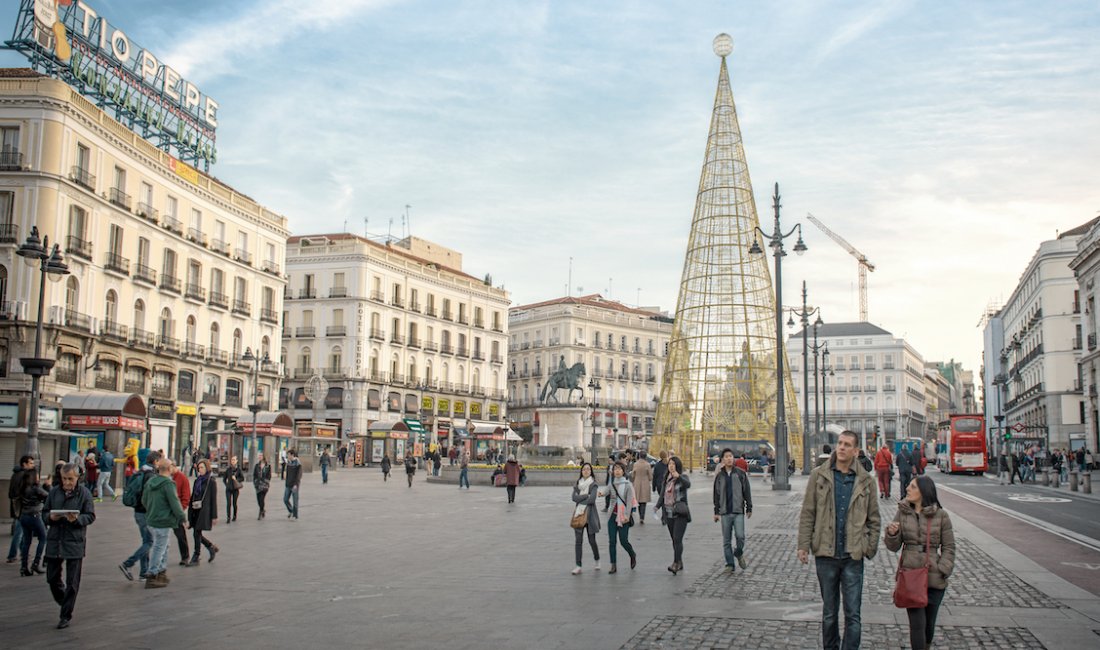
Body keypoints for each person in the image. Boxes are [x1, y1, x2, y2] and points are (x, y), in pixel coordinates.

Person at [797, 430, 881, 650]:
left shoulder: (866, 481)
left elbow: (874, 519)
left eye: (847, 445)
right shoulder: (819, 475)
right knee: (829, 614)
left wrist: (869, 548)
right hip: (826, 555)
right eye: (840, 443)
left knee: (853, 614)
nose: (841, 447)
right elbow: (808, 512)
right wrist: (803, 545)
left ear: (856, 451)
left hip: (853, 555)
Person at [884, 475, 956, 650]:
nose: (907, 488)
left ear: (924, 491)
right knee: (917, 625)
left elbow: (949, 546)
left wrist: (943, 569)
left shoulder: (941, 515)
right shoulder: (903, 512)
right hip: (911, 576)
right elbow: (893, 547)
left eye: (913, 487)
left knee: (929, 625)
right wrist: (892, 534)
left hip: (934, 577)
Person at [43, 463, 95, 629]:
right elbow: (45, 513)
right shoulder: (54, 492)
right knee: (52, 578)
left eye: (70, 479)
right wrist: (51, 517)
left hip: (74, 541)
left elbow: (90, 516)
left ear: (77, 478)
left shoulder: (84, 494)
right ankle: (64, 600)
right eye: (64, 479)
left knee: (72, 581)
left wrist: (77, 520)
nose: (67, 482)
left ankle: (65, 615)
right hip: (55, 540)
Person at [141, 459, 185, 589]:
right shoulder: (168, 484)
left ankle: (161, 571)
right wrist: (182, 517)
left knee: (163, 545)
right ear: (169, 468)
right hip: (163, 521)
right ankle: (153, 573)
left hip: (151, 520)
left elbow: (144, 500)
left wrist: (152, 509)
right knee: (160, 546)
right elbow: (175, 503)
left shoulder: (150, 482)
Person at [118, 450, 160, 581]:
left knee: (146, 541)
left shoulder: (140, 472)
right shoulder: (151, 476)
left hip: (137, 511)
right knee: (149, 541)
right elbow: (150, 497)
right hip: (145, 512)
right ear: (155, 462)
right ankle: (128, 564)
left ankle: (143, 572)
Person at [712, 448, 752, 573]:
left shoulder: (740, 474)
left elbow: (747, 491)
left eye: (731, 456)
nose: (729, 458)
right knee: (726, 540)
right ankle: (730, 564)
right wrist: (716, 511)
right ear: (722, 460)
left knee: (740, 536)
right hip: (724, 512)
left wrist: (749, 507)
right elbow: (716, 494)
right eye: (726, 456)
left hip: (738, 511)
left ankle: (738, 552)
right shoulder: (720, 476)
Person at [597, 461, 637, 574]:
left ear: (623, 471)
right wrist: (601, 494)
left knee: (623, 541)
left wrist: (627, 516)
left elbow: (629, 502)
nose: (617, 471)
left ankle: (632, 554)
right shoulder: (612, 483)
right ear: (613, 472)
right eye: (615, 469)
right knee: (612, 541)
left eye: (619, 469)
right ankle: (613, 565)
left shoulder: (628, 485)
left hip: (623, 516)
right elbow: (606, 491)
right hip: (612, 517)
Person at [656, 455, 691, 575]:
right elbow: (662, 494)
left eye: (673, 464)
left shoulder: (682, 477)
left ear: (677, 466)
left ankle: (675, 563)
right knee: (674, 540)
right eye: (669, 464)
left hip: (680, 513)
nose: (671, 466)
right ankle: (680, 562)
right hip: (668, 512)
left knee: (677, 539)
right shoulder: (666, 478)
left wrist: (679, 477)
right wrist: (657, 506)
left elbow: (688, 485)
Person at [16, 465, 49, 576]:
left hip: (24, 515)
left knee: (27, 541)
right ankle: (36, 563)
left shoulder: (23, 487)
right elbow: (47, 496)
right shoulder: (36, 488)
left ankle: (23, 567)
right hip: (34, 515)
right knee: (43, 537)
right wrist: (47, 486)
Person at [571, 462, 602, 574]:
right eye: (584, 469)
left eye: (588, 469)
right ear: (581, 471)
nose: (586, 471)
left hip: (590, 515)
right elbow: (573, 498)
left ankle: (597, 559)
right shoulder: (578, 484)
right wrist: (585, 496)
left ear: (591, 471)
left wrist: (581, 498)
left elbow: (592, 500)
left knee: (592, 540)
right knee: (578, 541)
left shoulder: (593, 484)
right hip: (579, 514)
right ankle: (578, 565)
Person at [187, 458, 219, 565]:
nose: (199, 470)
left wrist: (214, 516)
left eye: (202, 467)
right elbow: (193, 496)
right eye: (198, 468)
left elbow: (213, 499)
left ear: (207, 468)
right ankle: (210, 547)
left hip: (204, 511)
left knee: (196, 532)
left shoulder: (211, 481)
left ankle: (196, 556)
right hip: (195, 509)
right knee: (197, 533)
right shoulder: (197, 480)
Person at [6, 454, 34, 564]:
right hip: (22, 508)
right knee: (19, 532)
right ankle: (12, 554)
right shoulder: (23, 476)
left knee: (22, 531)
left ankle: (23, 552)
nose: (32, 465)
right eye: (30, 463)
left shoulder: (15, 474)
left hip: (17, 507)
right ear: (24, 464)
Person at [169, 462, 191, 566]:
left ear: (174, 466)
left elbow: (186, 495)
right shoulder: (169, 477)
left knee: (180, 534)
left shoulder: (182, 478)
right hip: (168, 511)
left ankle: (185, 556)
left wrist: (181, 509)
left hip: (177, 510)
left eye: (170, 468)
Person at [630, 453, 652, 524]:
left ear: (639, 456)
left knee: (638, 500)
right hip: (645, 483)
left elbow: (633, 475)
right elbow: (650, 477)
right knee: (644, 501)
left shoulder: (635, 464)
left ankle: (640, 516)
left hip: (637, 483)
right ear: (645, 457)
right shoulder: (647, 464)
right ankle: (642, 517)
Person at [222, 455, 244, 523]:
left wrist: (236, 479)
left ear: (236, 461)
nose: (233, 461)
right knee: (228, 503)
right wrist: (226, 485)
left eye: (234, 460)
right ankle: (228, 517)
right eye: (232, 460)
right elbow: (224, 479)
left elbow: (242, 478)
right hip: (228, 489)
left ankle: (234, 516)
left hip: (235, 489)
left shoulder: (238, 470)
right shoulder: (228, 469)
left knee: (234, 503)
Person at [284, 449, 302, 518]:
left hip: (294, 485)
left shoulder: (298, 464)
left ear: (292, 455)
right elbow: (287, 473)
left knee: (295, 500)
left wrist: (296, 484)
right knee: (285, 499)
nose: (287, 456)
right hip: (288, 484)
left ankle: (295, 515)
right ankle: (291, 510)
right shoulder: (288, 463)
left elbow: (299, 475)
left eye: (288, 455)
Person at [253, 453, 271, 519]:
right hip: (258, 485)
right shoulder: (257, 465)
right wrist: (255, 482)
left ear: (263, 457)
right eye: (259, 456)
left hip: (264, 485)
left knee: (262, 499)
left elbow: (269, 476)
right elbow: (254, 475)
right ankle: (263, 510)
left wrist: (266, 481)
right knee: (258, 500)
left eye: (260, 455)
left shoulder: (268, 466)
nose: (259, 457)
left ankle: (260, 512)